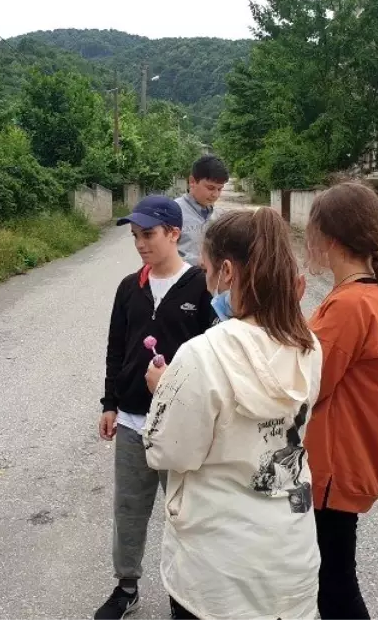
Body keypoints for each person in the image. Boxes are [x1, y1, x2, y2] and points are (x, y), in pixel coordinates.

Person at [142, 209, 323, 620]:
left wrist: (164, 392)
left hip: (217, 570)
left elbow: (167, 452)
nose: (206, 282)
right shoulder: (308, 345)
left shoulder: (202, 354)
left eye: (206, 270)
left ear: (226, 271)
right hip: (290, 555)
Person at [94, 195, 216, 620]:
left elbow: (215, 357)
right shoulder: (130, 287)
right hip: (131, 420)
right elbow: (115, 349)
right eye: (135, 236)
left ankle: (185, 594)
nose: (140, 243)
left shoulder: (202, 287)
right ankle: (126, 586)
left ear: (174, 233)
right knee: (129, 507)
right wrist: (110, 403)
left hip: (179, 425)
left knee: (184, 513)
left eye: (148, 234)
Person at [303, 181, 378, 620]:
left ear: (330, 239)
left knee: (333, 585)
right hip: (344, 463)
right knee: (330, 579)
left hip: (334, 467)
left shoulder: (351, 303)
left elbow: (307, 383)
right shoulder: (364, 293)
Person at [175, 155, 229, 268]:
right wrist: (197, 262)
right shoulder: (173, 211)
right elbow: (160, 254)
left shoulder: (219, 215)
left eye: (220, 189)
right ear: (192, 181)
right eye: (210, 188)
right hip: (181, 283)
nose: (215, 195)